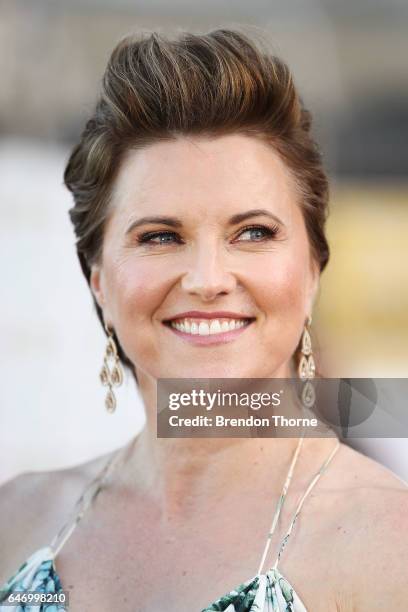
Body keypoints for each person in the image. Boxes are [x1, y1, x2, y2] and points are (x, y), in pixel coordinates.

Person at [0, 28, 407, 612]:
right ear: (97, 279)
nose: (208, 278)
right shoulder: (19, 520)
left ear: (313, 271)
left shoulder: (391, 548)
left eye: (253, 233)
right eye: (161, 236)